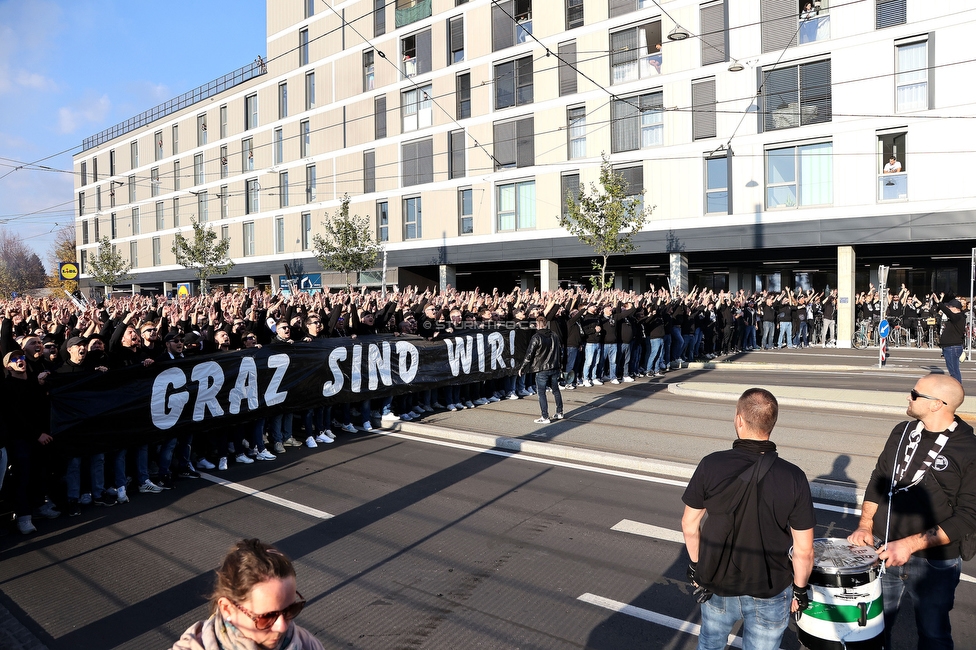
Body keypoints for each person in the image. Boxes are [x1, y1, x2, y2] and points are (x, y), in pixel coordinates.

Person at [848, 374, 976, 650]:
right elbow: (879, 478)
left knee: (933, 635)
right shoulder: (902, 432)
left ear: (936, 405)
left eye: (915, 394)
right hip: (883, 552)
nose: (909, 397)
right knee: (874, 629)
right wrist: (865, 525)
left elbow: (968, 516)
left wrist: (909, 544)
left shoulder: (969, 449)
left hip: (934, 563)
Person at [681, 388, 815, 650]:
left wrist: (697, 567)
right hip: (771, 589)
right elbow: (804, 550)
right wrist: (799, 590)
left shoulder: (711, 464)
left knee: (710, 643)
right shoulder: (794, 476)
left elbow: (689, 524)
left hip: (717, 583)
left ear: (739, 419)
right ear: (772, 425)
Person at [171, 538, 324, 650]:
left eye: (291, 610)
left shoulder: (307, 644)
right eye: (267, 617)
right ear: (227, 608)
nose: (282, 627)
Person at [518, 316, 564, 424]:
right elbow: (560, 352)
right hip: (554, 367)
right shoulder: (554, 335)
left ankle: (545, 416)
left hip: (541, 368)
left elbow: (529, 354)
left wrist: (522, 367)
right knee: (556, 390)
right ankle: (560, 412)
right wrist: (560, 365)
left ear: (537, 325)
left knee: (541, 392)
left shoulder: (536, 337)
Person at [937, 298, 965, 384]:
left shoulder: (958, 317)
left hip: (952, 347)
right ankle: (957, 388)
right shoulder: (956, 318)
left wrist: (939, 303)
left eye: (950, 307)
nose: (948, 308)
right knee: (953, 370)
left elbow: (948, 313)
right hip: (951, 347)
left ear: (956, 308)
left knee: (954, 372)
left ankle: (957, 390)